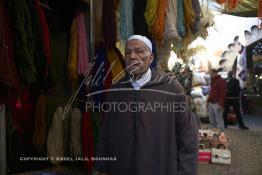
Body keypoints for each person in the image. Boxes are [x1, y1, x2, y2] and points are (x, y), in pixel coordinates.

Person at [94, 35, 198, 175]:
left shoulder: (171, 89)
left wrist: (185, 172)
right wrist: (102, 167)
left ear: (151, 58)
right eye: (128, 52)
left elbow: (188, 135)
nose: (132, 56)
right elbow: (106, 133)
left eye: (139, 51)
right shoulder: (116, 91)